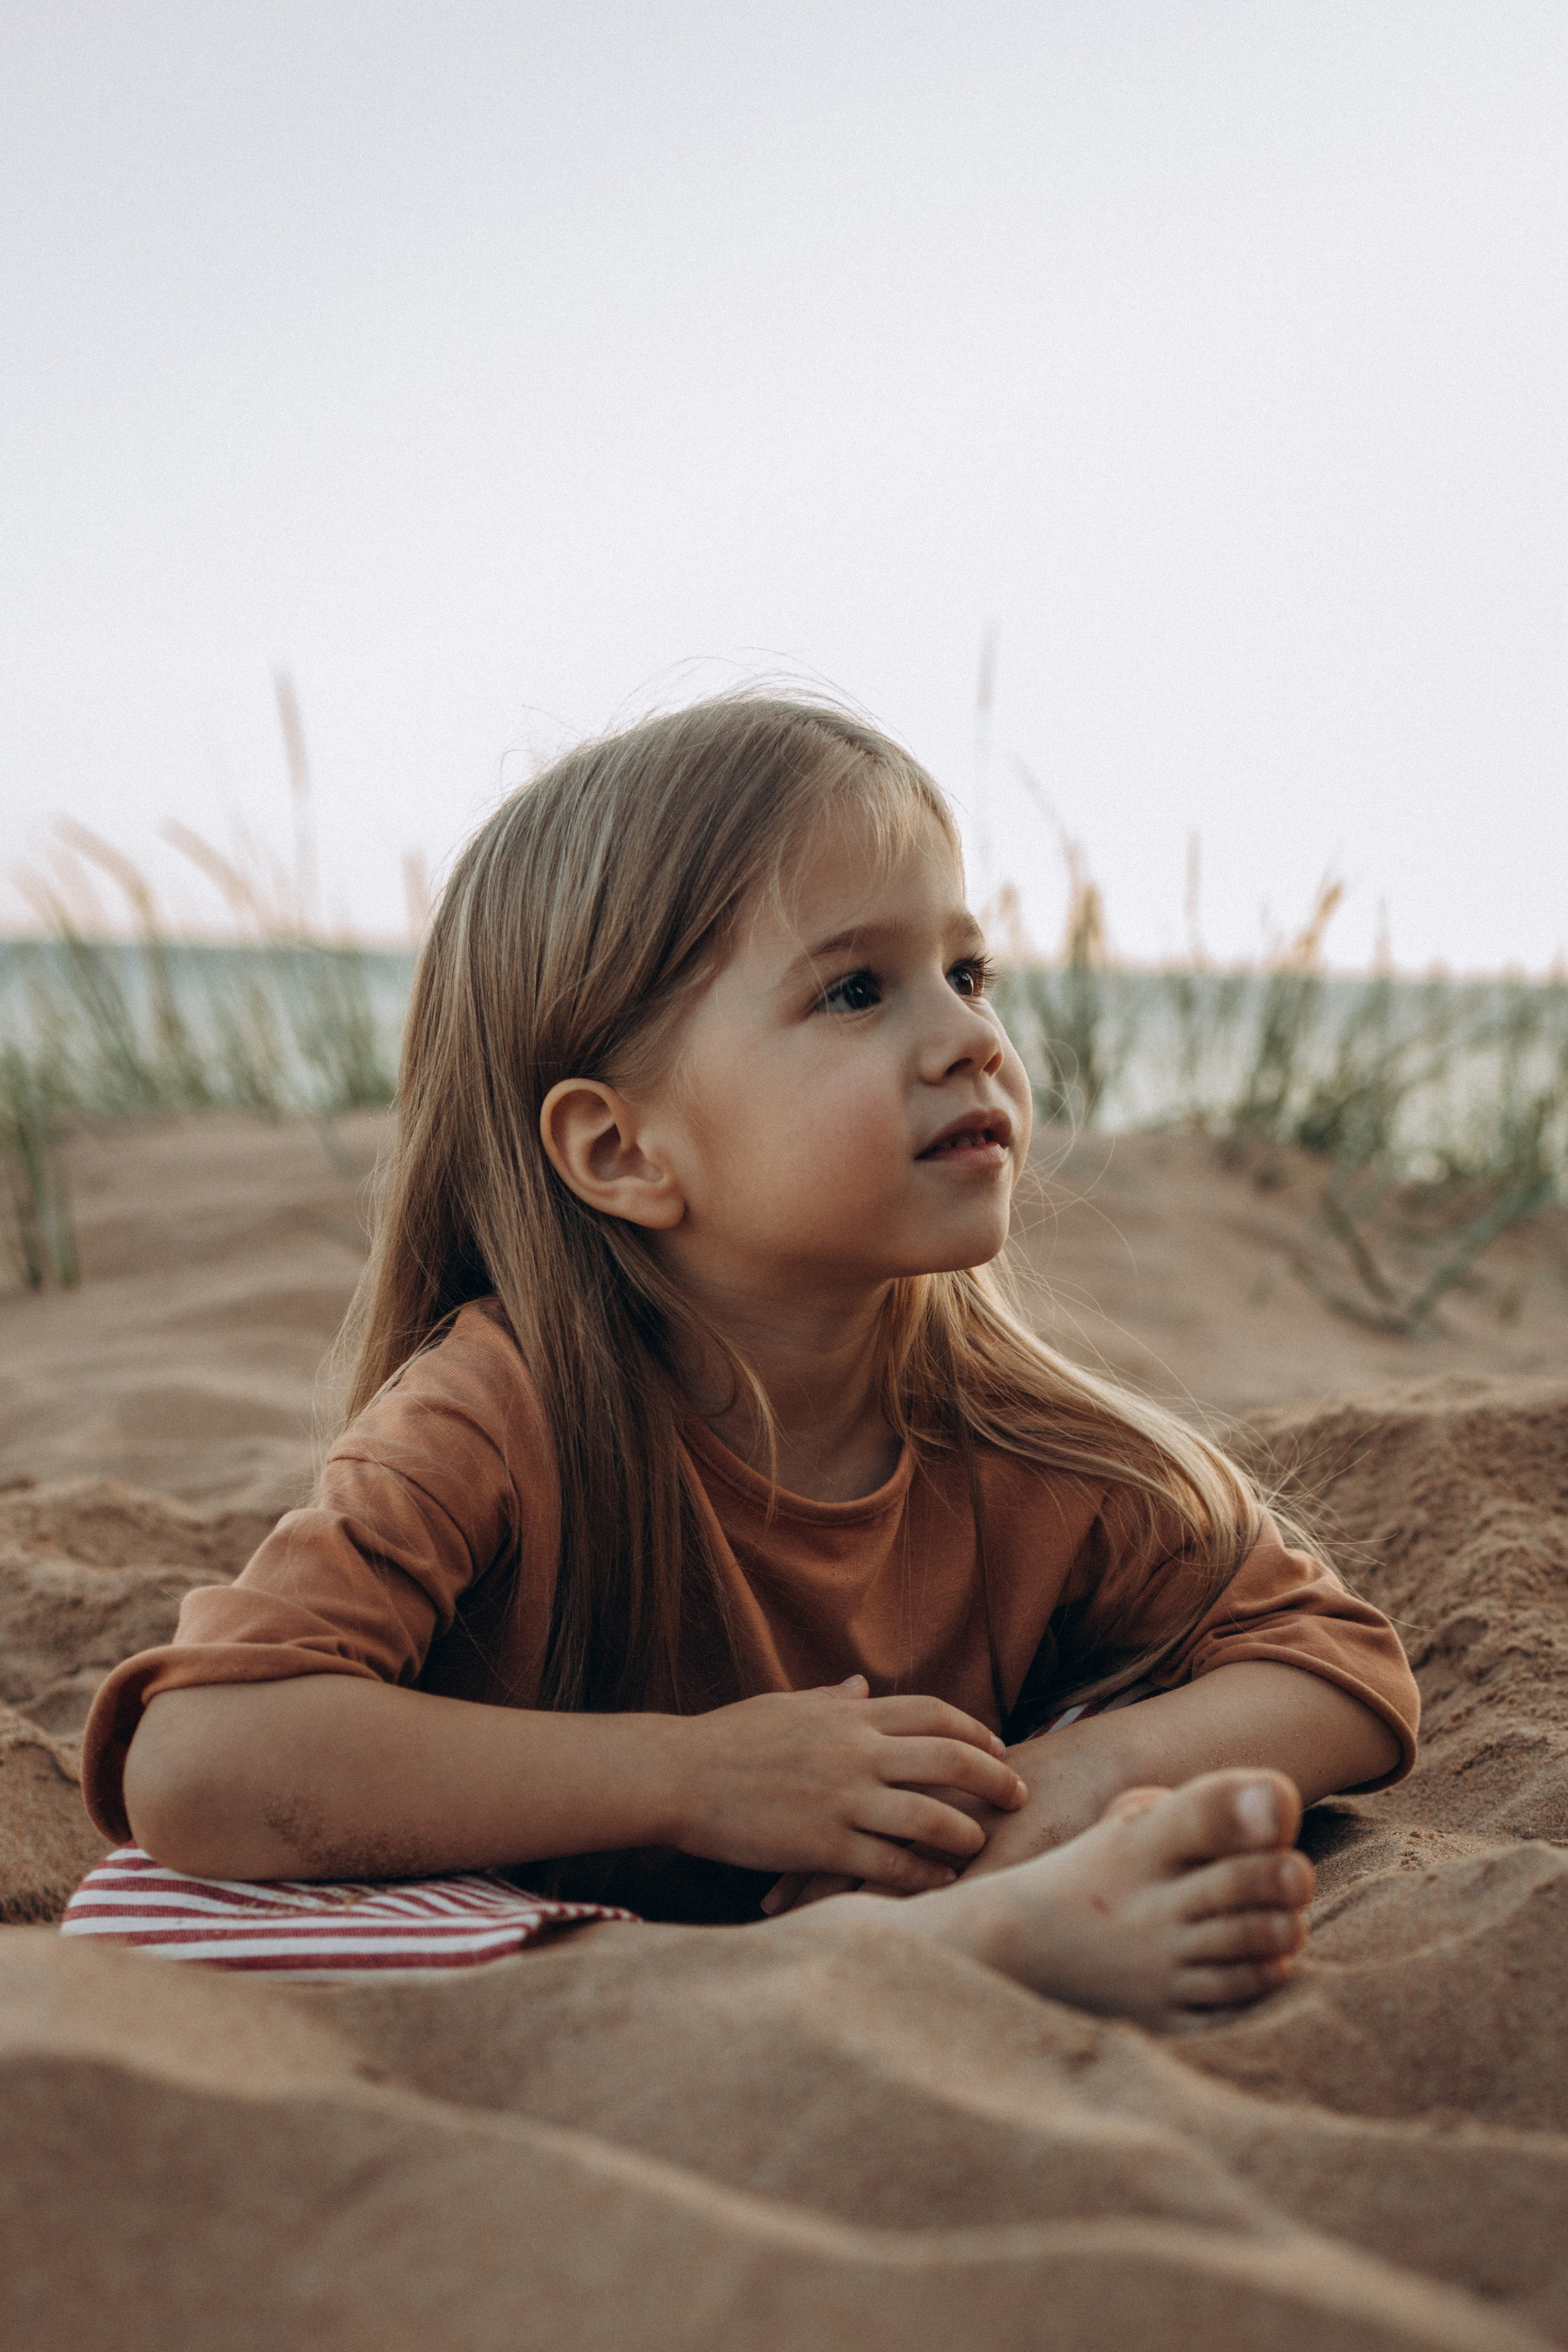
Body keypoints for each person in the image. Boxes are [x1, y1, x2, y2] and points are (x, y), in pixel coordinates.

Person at [82, 695, 1419, 2032]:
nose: (970, 1039)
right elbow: (200, 1769)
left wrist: (1079, 1777)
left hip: (831, 1934)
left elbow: (1337, 1669)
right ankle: (923, 1955)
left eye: (965, 972)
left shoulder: (1023, 1445)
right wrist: (694, 1778)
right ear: (622, 1152)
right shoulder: (498, 1410)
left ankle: (916, 1943)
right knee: (150, 1909)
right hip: (529, 1950)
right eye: (854, 989)